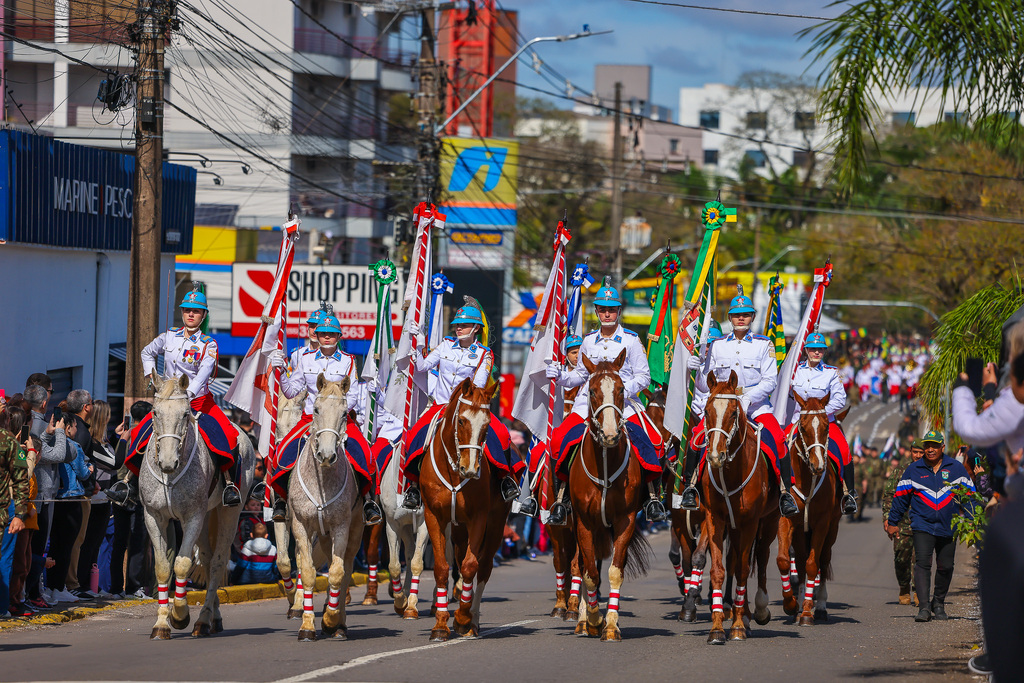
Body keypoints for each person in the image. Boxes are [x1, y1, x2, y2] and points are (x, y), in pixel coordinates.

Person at [109, 284, 243, 507]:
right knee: (139, 433)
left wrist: (187, 394)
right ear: (182, 312)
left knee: (229, 435)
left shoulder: (208, 344)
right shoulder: (168, 336)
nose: (191, 314)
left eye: (196, 311)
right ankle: (128, 483)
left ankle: (229, 485)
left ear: (203, 315)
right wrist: (152, 378)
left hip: (199, 402)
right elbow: (147, 352)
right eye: (187, 310)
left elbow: (203, 373)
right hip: (168, 401)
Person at [547, 283, 667, 524]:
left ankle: (653, 497)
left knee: (652, 440)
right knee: (559, 438)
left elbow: (643, 376)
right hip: (588, 405)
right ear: (597, 312)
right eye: (602, 309)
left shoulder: (631, 341)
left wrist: (619, 392)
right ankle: (561, 499)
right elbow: (580, 375)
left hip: (625, 402)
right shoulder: (588, 341)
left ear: (619, 311)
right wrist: (560, 376)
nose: (607, 314)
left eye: (612, 309)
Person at [400, 297, 531, 513]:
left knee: (500, 434)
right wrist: (419, 341)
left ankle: (505, 479)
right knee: (415, 434)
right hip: (441, 406)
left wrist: (465, 403)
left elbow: (478, 384)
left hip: (469, 407)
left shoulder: (484, 354)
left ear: (476, 328)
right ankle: (413, 487)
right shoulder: (445, 345)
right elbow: (422, 366)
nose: (459, 328)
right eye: (457, 325)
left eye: (464, 325)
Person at [683, 286, 800, 517]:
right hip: (723, 407)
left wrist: (746, 398)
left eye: (745, 315)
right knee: (697, 437)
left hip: (755, 407)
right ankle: (690, 487)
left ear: (752, 317)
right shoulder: (718, 345)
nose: (741, 319)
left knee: (777, 438)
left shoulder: (763, 344)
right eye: (736, 315)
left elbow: (770, 381)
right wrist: (695, 372)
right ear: (730, 318)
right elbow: (707, 385)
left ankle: (786, 492)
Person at [268, 313, 382, 526]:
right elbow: (292, 391)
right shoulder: (305, 359)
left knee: (365, 454)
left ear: (338, 337)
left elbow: (354, 396)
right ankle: (281, 500)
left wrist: (336, 410)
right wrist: (281, 372)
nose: (326, 337)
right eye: (322, 334)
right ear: (316, 336)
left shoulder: (349, 361)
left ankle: (368, 501)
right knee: (283, 451)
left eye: (331, 334)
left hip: (340, 420)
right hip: (310, 420)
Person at [886, 430, 977, 622]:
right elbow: (901, 497)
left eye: (934, 446)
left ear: (942, 447)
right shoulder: (914, 470)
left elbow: (969, 496)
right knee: (922, 564)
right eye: (927, 446)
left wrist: (972, 519)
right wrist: (893, 521)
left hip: (948, 525)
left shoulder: (956, 468)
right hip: (922, 524)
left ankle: (938, 603)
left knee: (946, 566)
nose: (930, 449)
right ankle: (924, 607)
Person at [785, 331, 858, 515]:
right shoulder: (794, 371)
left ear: (824, 352)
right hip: (798, 421)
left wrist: (819, 413)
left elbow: (840, 399)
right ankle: (782, 492)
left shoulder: (832, 373)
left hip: (825, 421)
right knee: (780, 446)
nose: (816, 353)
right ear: (806, 350)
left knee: (843, 449)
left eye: (820, 350)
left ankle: (849, 494)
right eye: (813, 349)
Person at [882, 442, 923, 605]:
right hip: (902, 523)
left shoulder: (930, 470)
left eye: (921, 452)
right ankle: (904, 587)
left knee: (921, 559)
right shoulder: (900, 471)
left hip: (922, 523)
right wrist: (887, 518)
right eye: (915, 452)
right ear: (910, 452)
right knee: (901, 558)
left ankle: (919, 591)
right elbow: (889, 495)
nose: (918, 455)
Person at [0, 406, 30, 616]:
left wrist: (19, 515)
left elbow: (21, 479)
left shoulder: (8, 441)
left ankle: (1, 608)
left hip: (2, 515)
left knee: (3, 561)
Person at [290, 303, 330, 370]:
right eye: (312, 326)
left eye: (317, 327)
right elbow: (292, 379)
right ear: (308, 328)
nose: (314, 331)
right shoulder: (297, 354)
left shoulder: (331, 355)